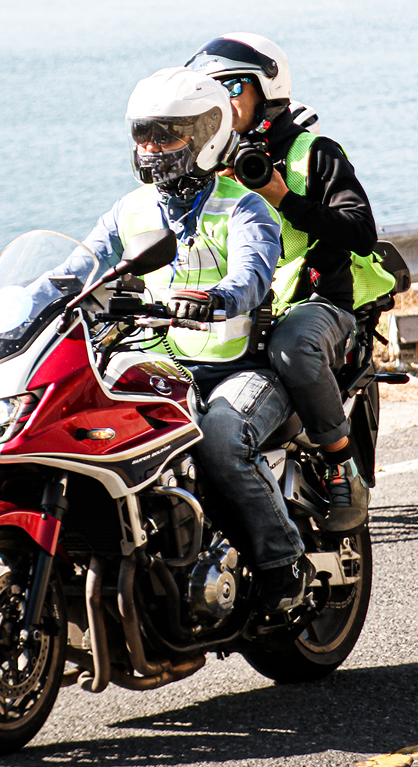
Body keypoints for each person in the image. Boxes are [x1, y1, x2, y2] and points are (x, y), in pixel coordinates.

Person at [60, 66, 309, 612]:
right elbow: (78, 267)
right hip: (159, 367)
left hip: (237, 371)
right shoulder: (130, 210)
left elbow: (252, 275)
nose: (151, 148)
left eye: (166, 135)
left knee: (221, 438)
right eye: (143, 134)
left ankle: (283, 561)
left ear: (206, 135)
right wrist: (21, 301)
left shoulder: (243, 206)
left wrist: (216, 298)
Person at [185, 33, 396, 531]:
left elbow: (360, 232)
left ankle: (341, 463)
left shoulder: (312, 153)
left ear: (266, 89)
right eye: (210, 89)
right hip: (238, 303)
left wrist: (284, 199)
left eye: (231, 86)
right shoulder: (205, 163)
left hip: (315, 302)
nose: (221, 99)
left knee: (292, 345)